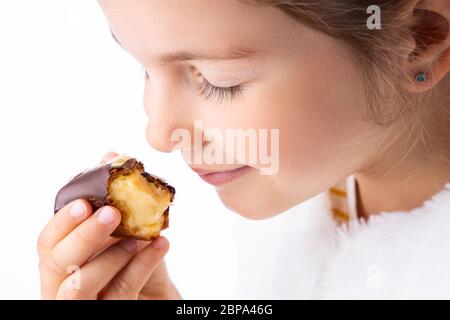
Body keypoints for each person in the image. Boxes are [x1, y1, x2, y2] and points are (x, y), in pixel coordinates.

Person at [38, 0, 450, 299]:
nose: (159, 134)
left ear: (417, 41)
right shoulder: (287, 236)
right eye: (145, 68)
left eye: (219, 81)